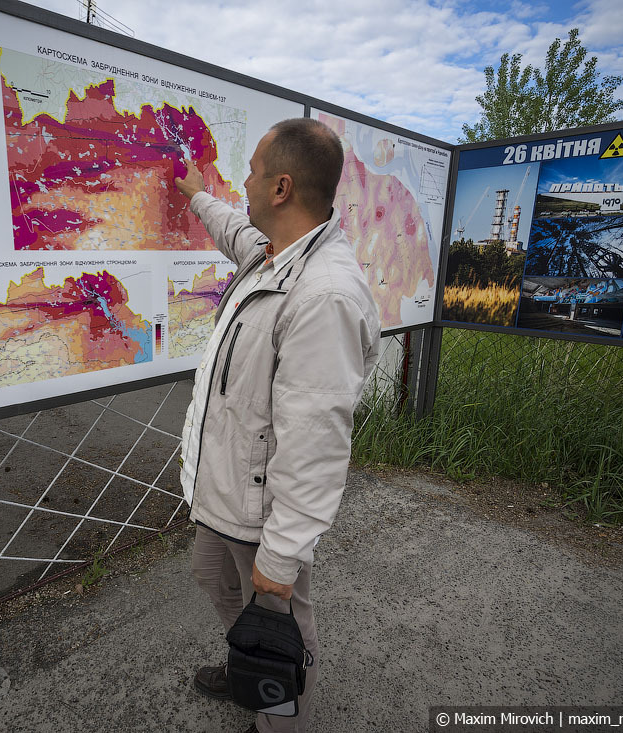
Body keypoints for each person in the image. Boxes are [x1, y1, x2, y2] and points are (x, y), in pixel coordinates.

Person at [174, 118, 381, 733]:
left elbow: (316, 441)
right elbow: (236, 229)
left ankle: (280, 714)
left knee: (285, 625)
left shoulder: (323, 297)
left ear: (282, 187)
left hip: (263, 511)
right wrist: (194, 194)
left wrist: (284, 553)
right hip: (225, 491)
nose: (244, 183)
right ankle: (249, 662)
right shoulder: (276, 256)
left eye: (254, 172)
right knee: (213, 577)